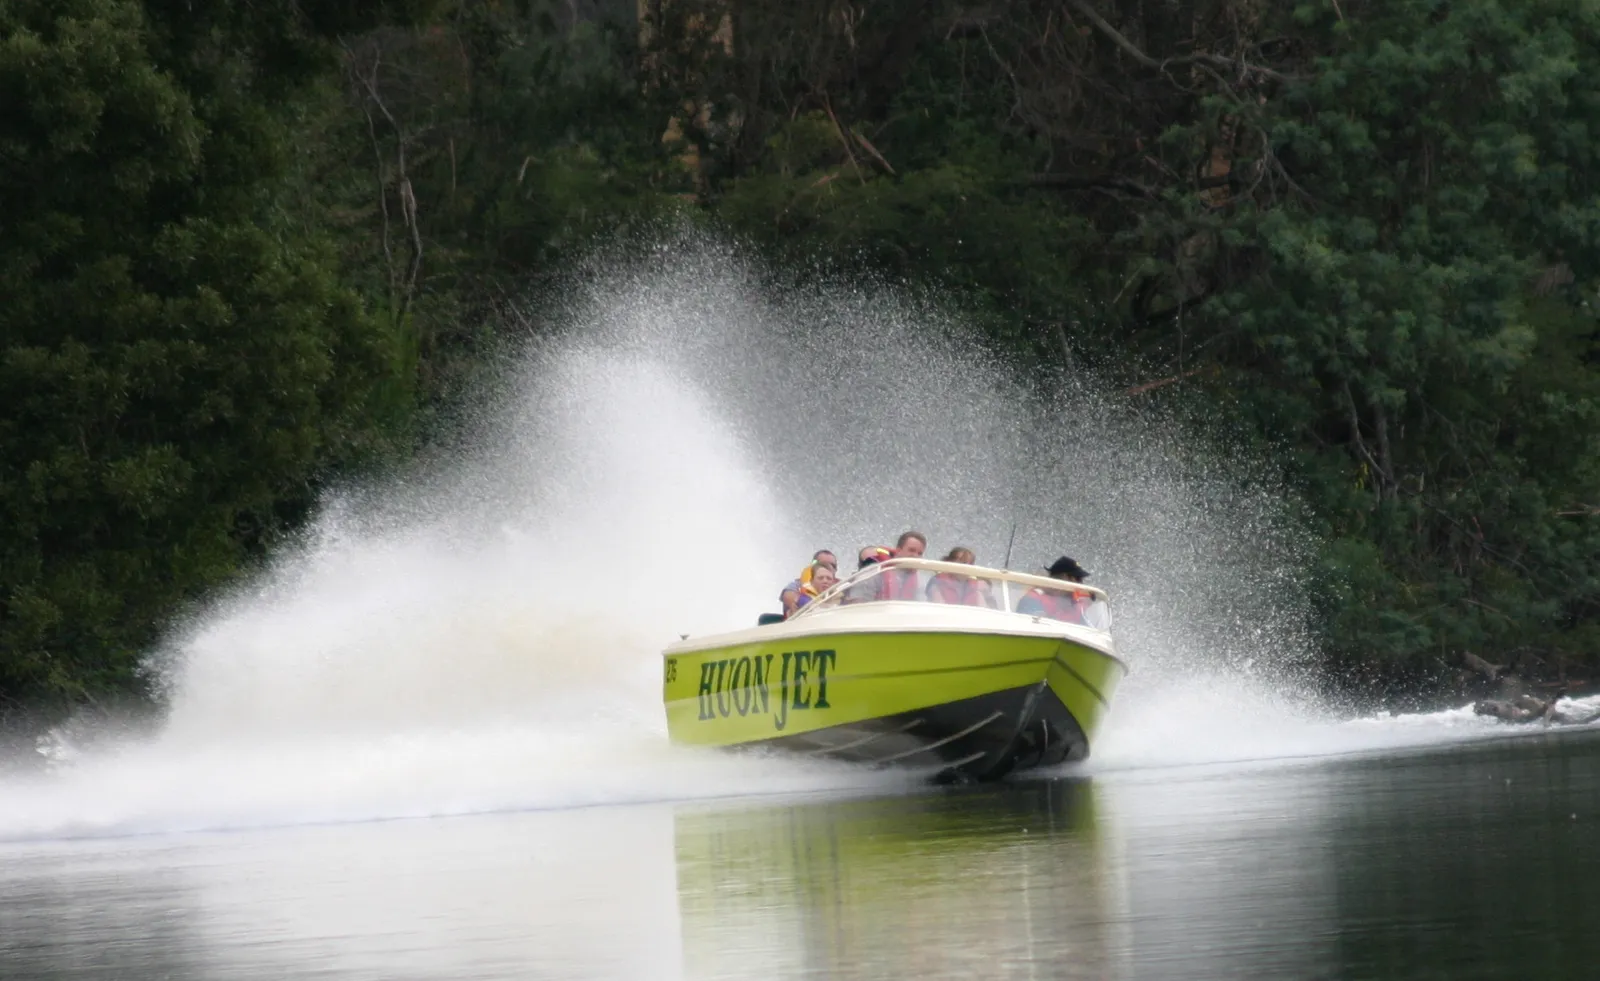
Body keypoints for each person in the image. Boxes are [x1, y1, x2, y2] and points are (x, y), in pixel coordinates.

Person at [1017, 556, 1093, 623]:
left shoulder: (1076, 607)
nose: (1081, 584)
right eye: (1078, 579)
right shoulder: (1033, 599)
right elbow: (1033, 626)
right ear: (1065, 577)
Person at [926, 546, 993, 607]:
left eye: (970, 563)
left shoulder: (978, 586)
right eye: (962, 562)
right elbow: (937, 605)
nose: (966, 566)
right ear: (950, 562)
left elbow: (988, 609)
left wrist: (980, 591)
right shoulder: (937, 582)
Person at [780, 550, 837, 617]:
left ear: (836, 569)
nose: (827, 567)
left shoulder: (843, 587)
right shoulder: (796, 586)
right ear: (813, 566)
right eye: (822, 564)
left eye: (832, 565)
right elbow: (789, 596)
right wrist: (802, 602)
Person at [877, 530, 926, 601]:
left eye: (919, 553)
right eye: (911, 550)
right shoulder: (878, 572)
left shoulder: (921, 582)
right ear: (898, 550)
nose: (915, 556)